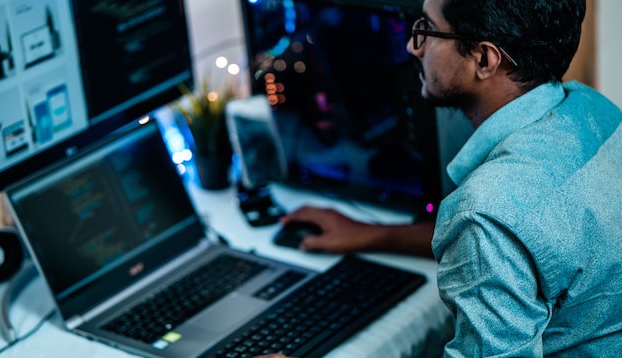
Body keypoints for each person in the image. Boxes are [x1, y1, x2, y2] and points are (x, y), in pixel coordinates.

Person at [258, 0, 622, 356]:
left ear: (483, 59)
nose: (412, 47)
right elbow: (525, 240)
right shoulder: (593, 109)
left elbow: (494, 226)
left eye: (426, 30)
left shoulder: (486, 212)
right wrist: (372, 234)